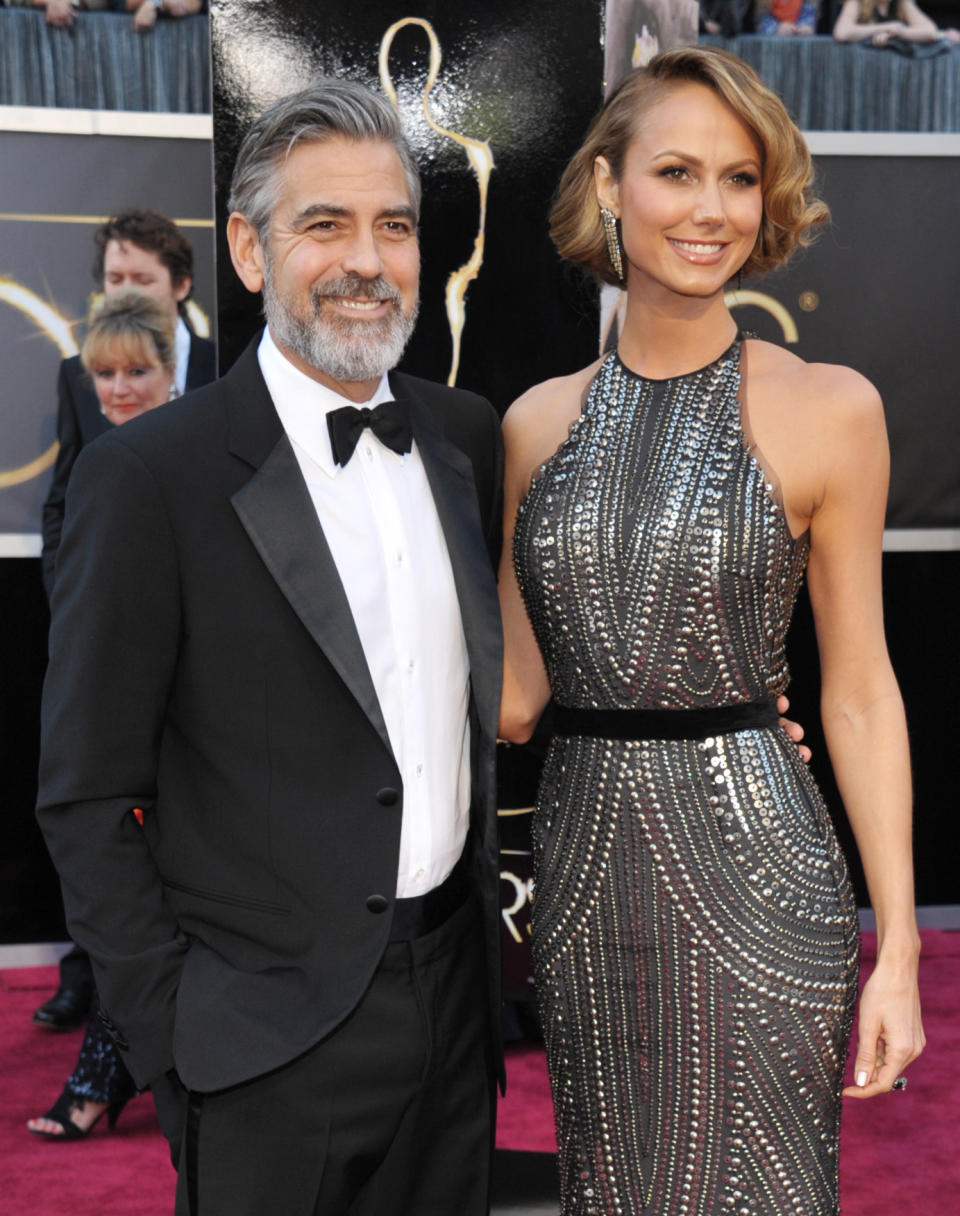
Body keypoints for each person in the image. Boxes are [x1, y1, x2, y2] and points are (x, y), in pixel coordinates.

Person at [36, 79, 503, 1216]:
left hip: (456, 1011)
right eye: (323, 224)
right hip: (257, 1046)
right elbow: (85, 796)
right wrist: (177, 1035)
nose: (367, 259)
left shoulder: (464, 439)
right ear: (248, 249)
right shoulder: (147, 480)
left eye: (393, 224)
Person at [498, 46, 924, 1215]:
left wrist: (899, 949)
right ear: (606, 186)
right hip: (584, 882)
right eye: (677, 171)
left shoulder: (834, 409)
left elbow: (860, 690)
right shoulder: (534, 426)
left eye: (741, 179)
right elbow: (511, 697)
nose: (710, 209)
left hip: (761, 872)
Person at [35, 207, 216, 1035]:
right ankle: (95, 984)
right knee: (97, 801)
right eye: (115, 280)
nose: (127, 294)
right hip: (104, 630)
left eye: (142, 280)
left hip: (203, 649)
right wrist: (74, 601)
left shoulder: (229, 370)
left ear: (180, 286)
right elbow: (65, 499)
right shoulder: (79, 374)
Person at [28, 290, 178, 1139]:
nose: (118, 389)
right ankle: (111, 1067)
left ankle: (106, 1072)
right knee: (128, 898)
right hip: (105, 702)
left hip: (176, 718)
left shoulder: (198, 455)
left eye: (136, 372)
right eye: (105, 376)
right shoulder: (95, 461)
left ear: (169, 371)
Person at [833, 0, 959, 44]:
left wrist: (898, 33)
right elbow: (842, 33)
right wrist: (886, 27)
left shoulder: (902, 4)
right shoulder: (857, 2)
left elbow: (931, 32)